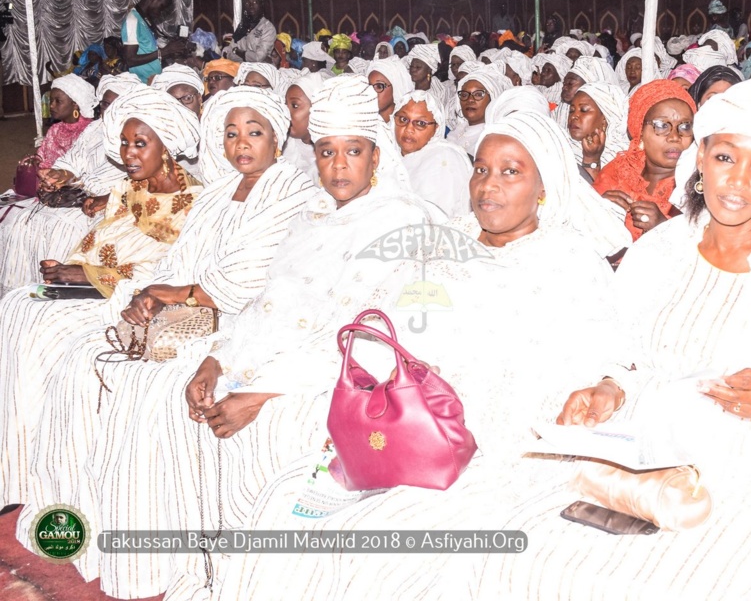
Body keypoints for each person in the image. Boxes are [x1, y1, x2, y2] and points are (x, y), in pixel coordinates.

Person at [486, 73, 751, 600]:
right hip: (640, 454)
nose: (738, 182)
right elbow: (622, 355)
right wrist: (607, 390)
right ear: (701, 157)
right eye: (726, 158)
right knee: (524, 563)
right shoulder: (659, 251)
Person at [212, 109, 629, 600]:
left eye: (510, 172)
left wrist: (605, 385)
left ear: (544, 185)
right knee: (282, 507)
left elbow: (611, 353)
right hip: (407, 421)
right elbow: (380, 324)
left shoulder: (569, 259)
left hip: (496, 442)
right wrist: (407, 365)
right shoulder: (442, 242)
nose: (488, 186)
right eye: (481, 169)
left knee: (386, 545)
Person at [76, 76, 437, 599]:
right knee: (190, 402)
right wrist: (216, 364)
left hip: (343, 383)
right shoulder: (312, 217)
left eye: (352, 151)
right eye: (326, 151)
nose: (337, 165)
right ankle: (213, 570)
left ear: (376, 157)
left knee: (259, 426)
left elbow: (374, 343)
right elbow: (268, 303)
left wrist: (261, 392)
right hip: (271, 361)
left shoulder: (404, 223)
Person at [12, 88, 320, 597]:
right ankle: (85, 525)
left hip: (238, 322)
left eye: (255, 132)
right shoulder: (221, 193)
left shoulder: (290, 192)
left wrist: (175, 293)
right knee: (82, 360)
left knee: (146, 388)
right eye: (231, 132)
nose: (242, 143)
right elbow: (174, 263)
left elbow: (249, 280)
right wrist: (143, 297)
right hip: (184, 309)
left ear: (277, 139)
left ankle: (150, 557)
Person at [0, 84, 202, 510]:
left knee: (37, 325)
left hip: (125, 301)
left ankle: (48, 478)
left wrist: (89, 276)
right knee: (16, 304)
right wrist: (67, 271)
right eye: (126, 143)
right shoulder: (130, 190)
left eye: (140, 144)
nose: (128, 154)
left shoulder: (193, 203)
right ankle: (16, 468)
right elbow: (99, 241)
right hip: (90, 287)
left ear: (167, 145)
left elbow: (171, 275)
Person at [0, 74, 138, 296]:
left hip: (110, 201)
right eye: (104, 104)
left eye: (116, 104)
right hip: (79, 193)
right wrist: (59, 174)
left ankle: (57, 293)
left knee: (62, 227)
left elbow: (136, 183)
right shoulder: (95, 129)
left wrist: (98, 195)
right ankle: (21, 291)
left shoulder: (140, 133)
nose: (109, 110)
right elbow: (71, 161)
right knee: (25, 221)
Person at [592, 80, 696, 241]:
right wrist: (597, 212)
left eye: (685, 126)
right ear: (640, 131)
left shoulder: (699, 186)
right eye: (662, 125)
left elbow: (707, 249)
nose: (675, 137)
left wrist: (664, 228)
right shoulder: (617, 173)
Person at [393, 90, 472, 217]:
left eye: (420, 123)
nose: (408, 129)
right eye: (403, 119)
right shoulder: (388, 155)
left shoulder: (443, 159)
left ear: (437, 127)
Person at [122, 0, 182, 83]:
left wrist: (171, 50)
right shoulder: (132, 20)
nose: (161, 12)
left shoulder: (144, 20)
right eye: (161, 6)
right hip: (142, 84)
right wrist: (165, 51)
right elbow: (130, 59)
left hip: (152, 82)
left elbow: (149, 52)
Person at [567, 82, 629, 177]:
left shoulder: (623, 158)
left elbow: (590, 191)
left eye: (583, 110)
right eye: (571, 110)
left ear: (605, 119)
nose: (574, 116)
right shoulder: (562, 146)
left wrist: (592, 159)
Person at [447, 67, 511, 157]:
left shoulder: (495, 138)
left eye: (478, 94)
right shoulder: (455, 133)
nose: (470, 100)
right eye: (464, 95)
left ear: (492, 99)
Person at [223, 0, 276, 64]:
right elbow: (228, 49)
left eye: (254, 2)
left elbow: (258, 57)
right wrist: (233, 52)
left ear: (261, 5)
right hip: (240, 66)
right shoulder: (242, 25)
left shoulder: (267, 27)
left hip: (260, 67)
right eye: (247, 3)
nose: (251, 6)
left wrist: (237, 51)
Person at [366, 56, 414, 125]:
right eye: (369, 86)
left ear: (396, 88)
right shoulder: (363, 122)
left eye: (379, 86)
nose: (371, 92)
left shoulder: (403, 128)